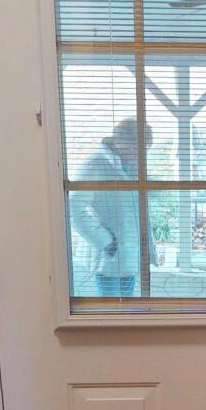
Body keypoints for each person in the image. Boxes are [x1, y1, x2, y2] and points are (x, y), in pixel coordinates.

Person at [71, 117, 148, 297]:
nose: (139, 155)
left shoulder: (132, 166)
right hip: (109, 253)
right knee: (111, 311)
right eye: (135, 149)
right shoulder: (95, 164)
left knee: (127, 311)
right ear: (120, 142)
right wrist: (106, 242)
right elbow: (74, 208)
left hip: (129, 253)